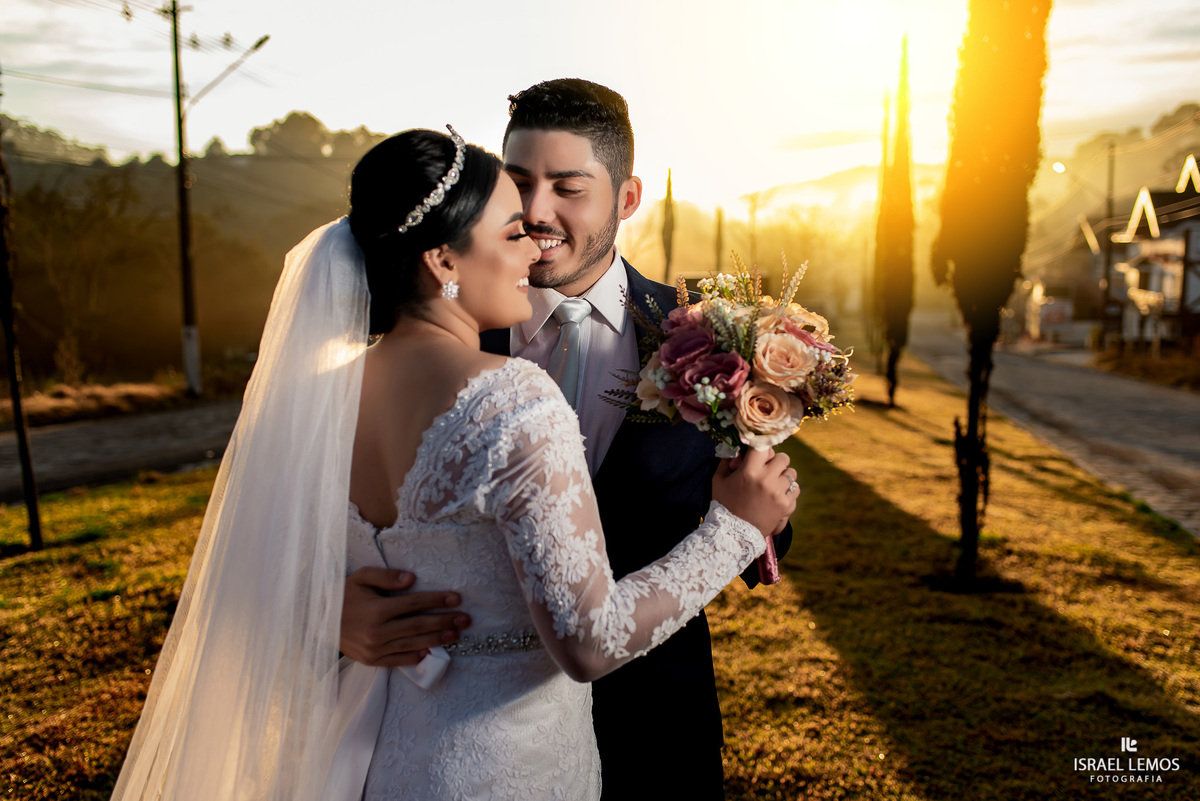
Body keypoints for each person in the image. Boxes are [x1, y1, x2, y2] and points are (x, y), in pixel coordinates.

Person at [110, 125, 797, 801]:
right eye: (512, 228)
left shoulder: (319, 398)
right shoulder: (515, 397)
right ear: (442, 260)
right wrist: (735, 529)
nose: (532, 238)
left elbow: (250, 560)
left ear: (625, 197)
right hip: (507, 766)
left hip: (396, 756)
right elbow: (590, 639)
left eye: (564, 189)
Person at [340, 79, 796, 799]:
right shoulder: (446, 333)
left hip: (657, 728)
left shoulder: (706, 336)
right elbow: (319, 529)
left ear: (627, 198)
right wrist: (334, 612)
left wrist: (758, 509)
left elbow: (761, 520)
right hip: (472, 736)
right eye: (518, 183)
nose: (535, 211)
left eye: (568, 187)